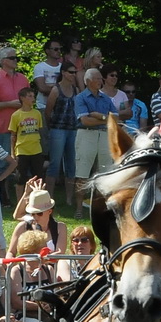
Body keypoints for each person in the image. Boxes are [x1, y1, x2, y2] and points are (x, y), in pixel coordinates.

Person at [70, 67, 117, 202]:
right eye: (97, 78)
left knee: (106, 172)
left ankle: (104, 204)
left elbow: (116, 119)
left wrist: (98, 116)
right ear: (88, 81)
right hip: (86, 135)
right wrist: (105, 119)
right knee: (82, 172)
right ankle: (79, 208)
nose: (100, 81)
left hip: (103, 135)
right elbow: (85, 121)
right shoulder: (80, 98)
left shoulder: (106, 98)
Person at [44, 61, 79, 206]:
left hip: (72, 129)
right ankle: (49, 197)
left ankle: (69, 199)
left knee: (71, 165)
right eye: (71, 72)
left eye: (75, 72)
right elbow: (48, 111)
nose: (73, 75)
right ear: (63, 73)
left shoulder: (76, 89)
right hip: (58, 129)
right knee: (55, 163)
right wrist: (51, 126)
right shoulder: (56, 90)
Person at [9, 183, 68, 257]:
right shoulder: (23, 226)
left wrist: (41, 260)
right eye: (33, 213)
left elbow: (60, 253)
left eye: (39, 213)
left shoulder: (60, 227)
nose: (35, 217)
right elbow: (11, 252)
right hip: (27, 267)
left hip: (51, 267)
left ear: (49, 211)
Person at [8, 85, 46, 185]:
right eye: (30, 96)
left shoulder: (37, 113)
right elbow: (13, 135)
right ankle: (20, 199)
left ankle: (38, 199)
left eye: (33, 96)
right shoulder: (16, 115)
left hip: (36, 149)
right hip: (22, 150)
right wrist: (13, 153)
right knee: (21, 178)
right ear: (22, 98)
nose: (33, 98)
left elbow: (39, 131)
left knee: (38, 178)